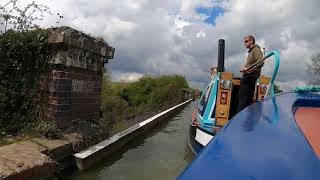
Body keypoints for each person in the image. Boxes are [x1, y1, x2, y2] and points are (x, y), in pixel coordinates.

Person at [237, 35, 264, 113]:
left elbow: (261, 62)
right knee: (242, 98)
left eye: (246, 41)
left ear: (251, 41)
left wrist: (248, 69)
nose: (244, 43)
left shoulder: (256, 50)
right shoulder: (251, 51)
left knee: (244, 101)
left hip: (250, 78)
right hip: (247, 77)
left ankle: (240, 121)